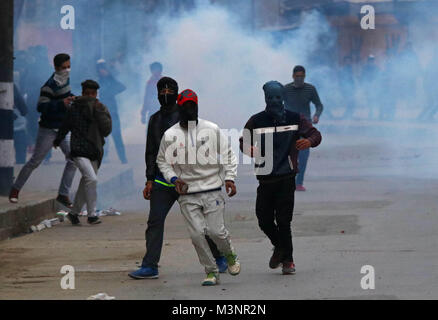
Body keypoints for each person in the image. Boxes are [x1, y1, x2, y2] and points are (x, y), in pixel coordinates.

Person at [129, 78, 228, 281]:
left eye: (169, 90)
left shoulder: (187, 116)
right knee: (155, 222)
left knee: (202, 225)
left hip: (189, 181)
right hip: (163, 181)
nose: (165, 93)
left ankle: (219, 258)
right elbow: (151, 152)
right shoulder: (155, 119)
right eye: (161, 90)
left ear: (176, 93)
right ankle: (150, 266)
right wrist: (149, 179)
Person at [156, 89, 241, 286]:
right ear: (179, 107)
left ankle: (229, 255)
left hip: (212, 189)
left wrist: (230, 178)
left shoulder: (211, 128)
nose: (189, 109)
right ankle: (211, 271)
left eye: (192, 105)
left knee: (216, 232)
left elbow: (228, 154)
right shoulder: (170, 135)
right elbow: (163, 162)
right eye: (185, 105)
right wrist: (173, 178)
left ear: (197, 106)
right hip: (187, 193)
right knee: (196, 235)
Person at [240, 81, 322, 275]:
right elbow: (243, 140)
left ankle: (288, 261)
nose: (274, 101)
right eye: (270, 98)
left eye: (278, 97)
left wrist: (308, 141)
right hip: (265, 180)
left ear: (283, 98)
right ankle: (281, 248)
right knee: (264, 220)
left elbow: (315, 134)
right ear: (265, 99)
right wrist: (248, 148)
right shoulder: (256, 120)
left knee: (284, 222)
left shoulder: (296, 118)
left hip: (286, 178)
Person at [9, 53, 77, 206]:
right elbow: (42, 107)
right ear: (56, 67)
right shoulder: (49, 86)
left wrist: (72, 98)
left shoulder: (66, 81)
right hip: (48, 129)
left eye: (68, 67)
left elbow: (65, 95)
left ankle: (63, 194)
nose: (67, 70)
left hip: (63, 129)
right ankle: (15, 189)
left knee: (73, 159)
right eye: (64, 67)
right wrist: (61, 103)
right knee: (35, 161)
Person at [54, 80, 112, 225]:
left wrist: (98, 112)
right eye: (87, 94)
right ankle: (92, 215)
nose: (90, 97)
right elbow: (65, 125)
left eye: (92, 94)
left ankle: (73, 214)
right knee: (91, 179)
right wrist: (57, 140)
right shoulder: (74, 108)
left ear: (96, 94)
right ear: (83, 93)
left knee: (85, 182)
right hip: (79, 150)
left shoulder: (100, 108)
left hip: (94, 150)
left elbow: (107, 130)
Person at [283, 65, 323, 191]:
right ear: (293, 76)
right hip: (289, 126)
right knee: (289, 154)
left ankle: (299, 182)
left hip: (305, 126)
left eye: (302, 76)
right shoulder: (286, 89)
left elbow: (319, 105)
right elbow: (277, 104)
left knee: (304, 155)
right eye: (297, 76)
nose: (299, 79)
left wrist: (316, 115)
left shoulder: (310, 89)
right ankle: (289, 180)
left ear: (304, 76)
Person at [96, 59, 128, 164]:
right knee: (102, 136)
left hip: (113, 112)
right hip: (101, 112)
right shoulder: (98, 81)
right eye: (100, 69)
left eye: (104, 68)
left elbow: (123, 87)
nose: (102, 71)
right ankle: (103, 157)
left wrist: (111, 92)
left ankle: (123, 158)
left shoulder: (111, 79)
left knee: (116, 135)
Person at [141, 62, 163, 127]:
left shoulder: (165, 81)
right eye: (153, 69)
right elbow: (146, 98)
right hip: (152, 111)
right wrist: (143, 114)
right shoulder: (149, 83)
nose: (155, 71)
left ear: (160, 70)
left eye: (157, 69)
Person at [13, 84, 28, 164]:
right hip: (18, 128)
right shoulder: (14, 89)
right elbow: (24, 111)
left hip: (16, 127)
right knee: (21, 158)